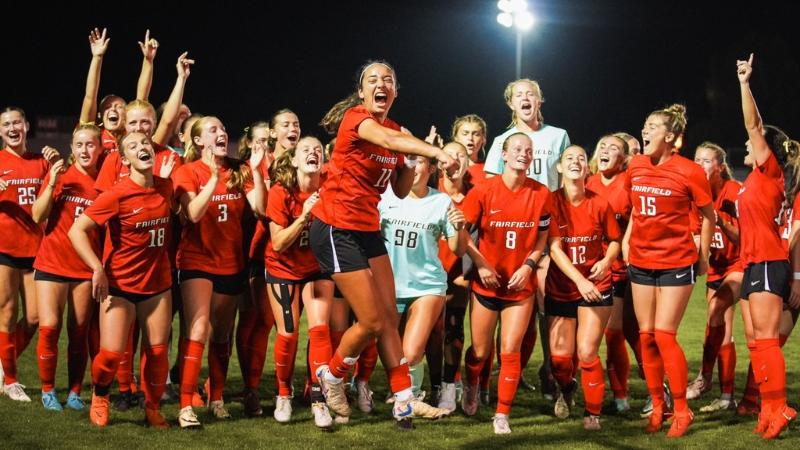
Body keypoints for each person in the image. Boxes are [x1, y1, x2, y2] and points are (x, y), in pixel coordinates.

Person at [310, 61, 457, 429]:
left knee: (389, 317)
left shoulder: (396, 130)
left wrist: (413, 160)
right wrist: (435, 152)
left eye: (388, 79)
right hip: (335, 227)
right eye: (372, 79)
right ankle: (331, 375)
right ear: (361, 92)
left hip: (366, 230)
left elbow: (401, 189)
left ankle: (404, 398)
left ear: (395, 91)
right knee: (373, 320)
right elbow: (390, 141)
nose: (381, 84)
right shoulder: (358, 119)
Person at [68, 131, 174, 428]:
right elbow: (76, 231)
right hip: (121, 285)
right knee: (111, 355)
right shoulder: (117, 193)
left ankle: (152, 408)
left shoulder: (166, 186)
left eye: (145, 143)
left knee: (156, 353)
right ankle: (101, 394)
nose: (142, 147)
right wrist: (97, 268)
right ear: (124, 159)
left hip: (157, 285)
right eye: (133, 146)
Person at [623, 103, 714, 437]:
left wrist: (702, 256)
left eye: (653, 126)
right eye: (645, 125)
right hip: (642, 261)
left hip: (676, 260)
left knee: (664, 334)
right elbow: (634, 210)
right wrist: (626, 243)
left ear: (672, 136)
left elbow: (709, 216)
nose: (645, 131)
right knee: (646, 337)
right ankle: (657, 408)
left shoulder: (690, 171)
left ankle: (681, 410)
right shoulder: (635, 165)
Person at [173, 116, 266, 428]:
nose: (222, 132)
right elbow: (193, 214)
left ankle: (217, 399)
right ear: (198, 141)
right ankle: (186, 405)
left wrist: (255, 169)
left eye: (224, 129)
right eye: (213, 130)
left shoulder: (239, 170)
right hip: (196, 261)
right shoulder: (187, 171)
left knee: (221, 335)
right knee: (197, 330)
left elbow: (261, 209)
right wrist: (212, 178)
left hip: (230, 263)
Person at [483, 79, 571, 399]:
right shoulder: (501, 140)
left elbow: (564, 184)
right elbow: (491, 190)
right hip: (509, 235)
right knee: (506, 305)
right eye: (518, 95)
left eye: (530, 93)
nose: (525, 98)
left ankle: (550, 370)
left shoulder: (558, 136)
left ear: (540, 100)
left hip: (545, 233)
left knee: (548, 304)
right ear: (510, 103)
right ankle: (506, 373)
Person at [461, 133, 550, 434]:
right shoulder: (484, 190)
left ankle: (502, 414)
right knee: (480, 351)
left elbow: (542, 236)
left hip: (520, 287)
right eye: (517, 149)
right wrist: (482, 264)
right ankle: (471, 383)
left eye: (528, 150)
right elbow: (461, 233)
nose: (523, 154)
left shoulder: (541, 193)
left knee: (510, 351)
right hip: (486, 285)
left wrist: (529, 266)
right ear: (504, 153)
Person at [734, 54, 798, 439]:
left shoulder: (768, 170)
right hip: (753, 262)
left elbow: (753, 123)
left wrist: (744, 83)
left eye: (753, 143)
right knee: (757, 343)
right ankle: (768, 408)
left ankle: (779, 407)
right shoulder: (751, 182)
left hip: (770, 262)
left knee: (767, 340)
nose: (747, 143)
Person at [379, 146, 467, 401]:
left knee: (413, 352)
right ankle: (372, 388)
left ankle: (410, 400)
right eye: (409, 162)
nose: (413, 167)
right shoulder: (386, 197)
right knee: (388, 350)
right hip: (389, 285)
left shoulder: (441, 201)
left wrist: (460, 228)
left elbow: (458, 249)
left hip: (427, 285)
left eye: (419, 163)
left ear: (430, 170)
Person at [546, 145, 621, 430]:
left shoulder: (600, 203)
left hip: (596, 284)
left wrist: (607, 262)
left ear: (586, 168)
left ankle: (593, 414)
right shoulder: (550, 202)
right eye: (569, 158)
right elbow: (554, 248)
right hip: (563, 286)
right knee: (560, 361)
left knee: (587, 351)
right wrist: (579, 280)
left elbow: (615, 239)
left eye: (581, 157)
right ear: (560, 168)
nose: (576, 161)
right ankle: (568, 388)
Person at [32, 125, 103, 411]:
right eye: (79, 145)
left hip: (84, 268)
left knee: (79, 332)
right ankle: (48, 391)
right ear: (71, 148)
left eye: (90, 145)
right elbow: (38, 214)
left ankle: (74, 392)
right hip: (52, 263)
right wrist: (51, 181)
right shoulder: (62, 177)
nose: (85, 150)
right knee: (49, 328)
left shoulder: (105, 183)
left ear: (99, 149)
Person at [266, 137, 334, 427]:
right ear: (293, 160)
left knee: (320, 332)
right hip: (283, 267)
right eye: (306, 150)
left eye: (318, 150)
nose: (313, 153)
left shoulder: (330, 185)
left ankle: (319, 399)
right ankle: (284, 393)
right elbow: (279, 243)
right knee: (288, 334)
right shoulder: (281, 192)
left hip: (317, 267)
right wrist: (305, 214)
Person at [0, 106, 60, 402]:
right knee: (7, 315)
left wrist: (57, 164)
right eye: (6, 124)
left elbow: (52, 202)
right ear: (0, 132)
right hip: (4, 248)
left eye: (17, 123)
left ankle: (3, 361)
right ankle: (11, 380)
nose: (12, 128)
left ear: (25, 126)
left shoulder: (40, 162)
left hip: (36, 249)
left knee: (35, 317)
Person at [585, 135, 639, 415]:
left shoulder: (628, 182)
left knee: (616, 333)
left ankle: (623, 398)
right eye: (602, 146)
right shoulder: (588, 182)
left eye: (613, 149)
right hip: (587, 270)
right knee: (595, 336)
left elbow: (638, 220)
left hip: (618, 270)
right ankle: (575, 393)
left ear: (624, 158)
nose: (605, 151)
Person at [686, 142, 742, 413]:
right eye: (696, 159)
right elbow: (697, 236)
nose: (699, 164)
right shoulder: (696, 195)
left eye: (706, 161)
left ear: (720, 167)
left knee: (716, 308)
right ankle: (727, 398)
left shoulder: (735, 192)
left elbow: (743, 239)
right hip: (718, 268)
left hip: (742, 263)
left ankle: (705, 377)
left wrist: (719, 220)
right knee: (720, 328)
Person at [235, 121, 276, 418]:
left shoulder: (283, 163)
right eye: (257, 141)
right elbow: (261, 209)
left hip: (285, 253)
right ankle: (249, 386)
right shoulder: (246, 170)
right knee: (253, 320)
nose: (263, 146)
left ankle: (262, 386)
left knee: (269, 321)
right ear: (249, 144)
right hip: (253, 253)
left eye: (267, 141)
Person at [79, 28, 158, 168]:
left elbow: (142, 98)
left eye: (119, 106)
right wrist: (97, 57)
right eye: (107, 107)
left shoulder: (132, 133)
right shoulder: (94, 135)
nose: (113, 109)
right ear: (100, 115)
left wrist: (148, 60)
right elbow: (90, 97)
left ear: (127, 116)